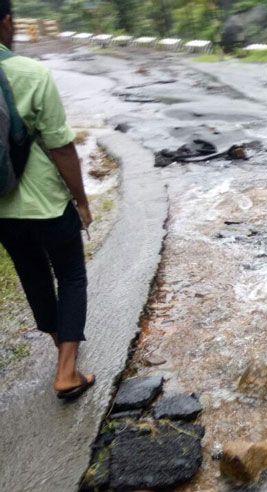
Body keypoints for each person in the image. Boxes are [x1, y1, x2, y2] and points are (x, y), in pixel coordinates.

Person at [0, 0, 95, 400]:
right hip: (46, 203)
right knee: (70, 273)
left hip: (2, 209)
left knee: (33, 276)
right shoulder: (31, 73)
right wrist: (82, 200)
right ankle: (67, 371)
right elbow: (60, 147)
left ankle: (63, 354)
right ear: (6, 22)